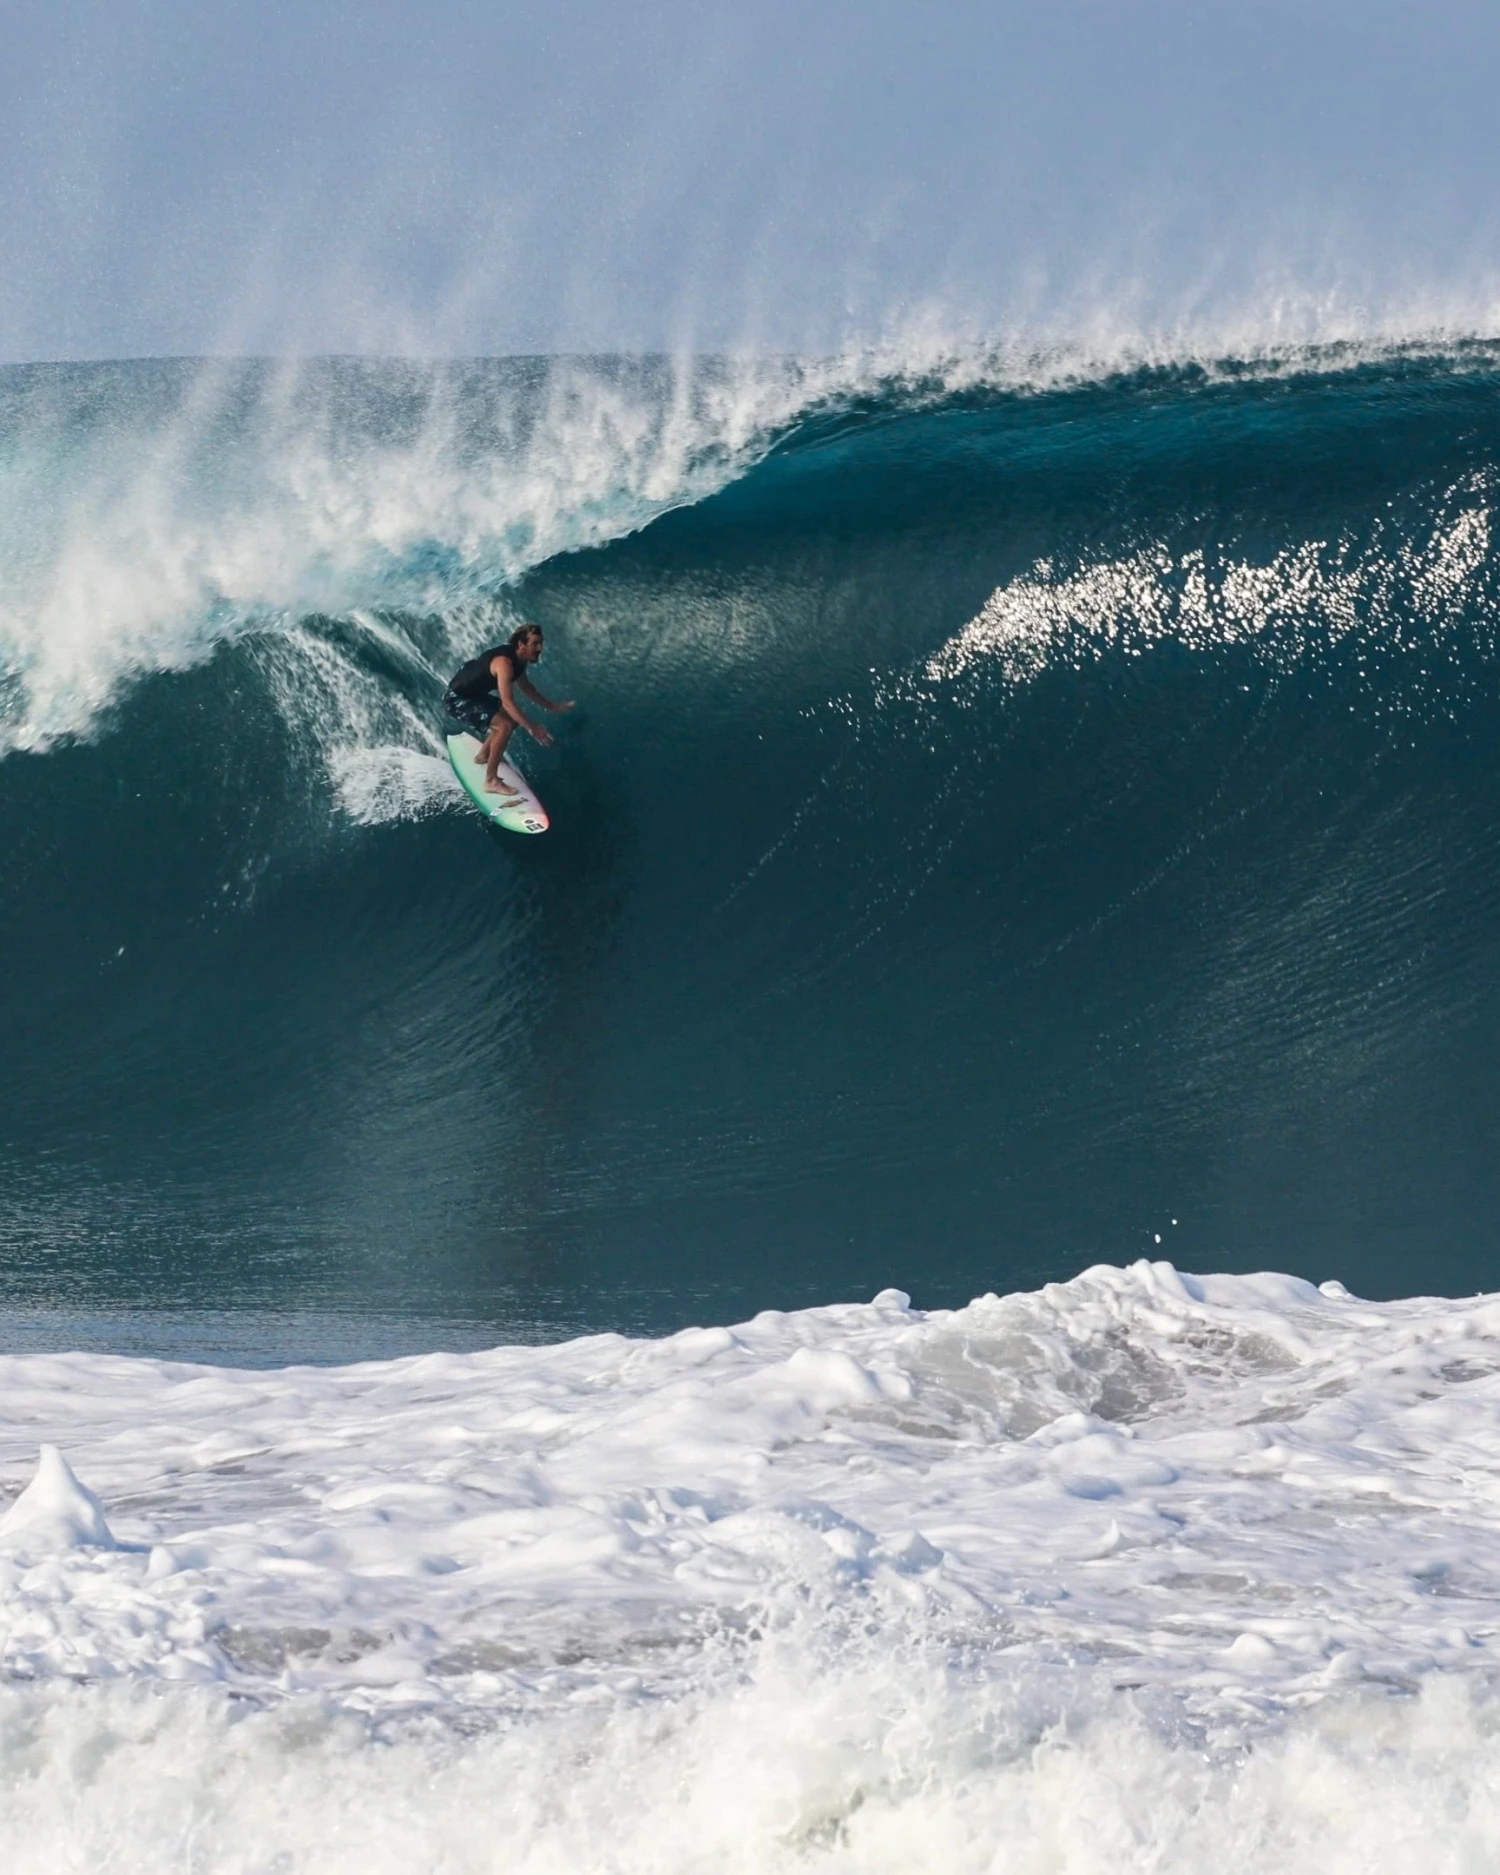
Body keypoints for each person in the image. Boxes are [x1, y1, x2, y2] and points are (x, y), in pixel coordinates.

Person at [443, 624, 574, 796]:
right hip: (457, 699)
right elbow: (508, 702)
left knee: (512, 722)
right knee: (504, 726)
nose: (540, 648)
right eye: (535, 643)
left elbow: (526, 687)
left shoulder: (519, 660)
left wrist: (550, 705)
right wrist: (532, 728)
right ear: (521, 645)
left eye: (541, 643)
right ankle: (491, 781)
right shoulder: (504, 664)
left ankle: (483, 756)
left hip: (475, 694)